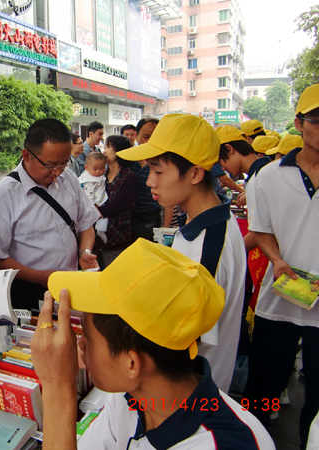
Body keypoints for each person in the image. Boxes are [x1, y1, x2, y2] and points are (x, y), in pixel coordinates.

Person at [30, 239, 275, 450]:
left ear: (132, 363)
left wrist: (57, 387)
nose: (78, 345)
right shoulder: (132, 397)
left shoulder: (224, 444)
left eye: (88, 338)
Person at [118, 114, 247, 392]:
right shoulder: (212, 219)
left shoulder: (208, 248)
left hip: (189, 394)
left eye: (158, 171)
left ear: (196, 174)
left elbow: (184, 340)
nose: (150, 181)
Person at [242, 84, 319, 448]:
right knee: (263, 392)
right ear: (299, 123)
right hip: (280, 301)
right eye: (316, 120)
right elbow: (261, 228)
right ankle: (257, 439)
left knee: (317, 400)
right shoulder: (270, 176)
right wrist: (276, 259)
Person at [0, 118, 100, 310]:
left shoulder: (67, 177)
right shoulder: (4, 195)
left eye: (64, 163)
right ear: (26, 155)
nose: (57, 172)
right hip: (29, 290)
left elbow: (86, 222)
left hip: (71, 285)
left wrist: (84, 251)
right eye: (50, 165)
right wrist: (42, 277)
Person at [95, 135, 137, 268]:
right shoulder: (100, 175)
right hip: (98, 238)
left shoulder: (129, 177)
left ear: (118, 151)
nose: (104, 151)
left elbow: (119, 204)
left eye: (107, 146)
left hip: (118, 236)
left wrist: (94, 211)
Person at [78, 152, 108, 243]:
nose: (98, 172)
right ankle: (99, 231)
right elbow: (88, 194)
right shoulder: (88, 180)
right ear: (86, 168)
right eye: (95, 169)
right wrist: (92, 206)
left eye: (101, 169)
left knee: (103, 218)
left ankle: (100, 230)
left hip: (100, 201)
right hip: (92, 204)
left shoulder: (98, 176)